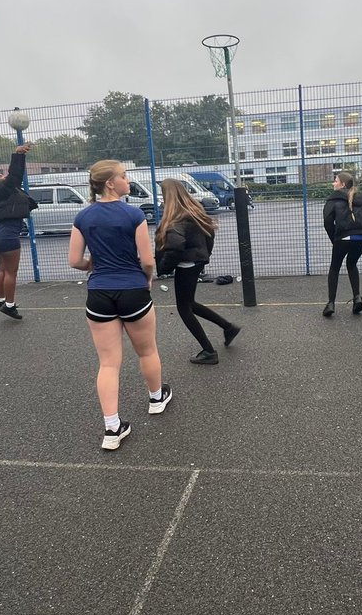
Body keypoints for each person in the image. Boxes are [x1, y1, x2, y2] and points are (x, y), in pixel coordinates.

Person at [69, 160, 170, 450]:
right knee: (147, 350)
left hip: (99, 293)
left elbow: (75, 261)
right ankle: (155, 399)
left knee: (108, 363)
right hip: (133, 290)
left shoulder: (83, 216)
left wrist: (93, 265)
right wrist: (147, 278)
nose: (128, 181)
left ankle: (112, 429)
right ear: (111, 183)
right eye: (124, 176)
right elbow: (148, 260)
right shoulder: (133, 214)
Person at [155, 178, 239, 365]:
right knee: (190, 303)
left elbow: (175, 248)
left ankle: (209, 351)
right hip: (196, 263)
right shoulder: (194, 210)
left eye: (162, 194)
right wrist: (204, 255)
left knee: (184, 308)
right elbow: (209, 235)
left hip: (186, 265)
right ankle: (228, 327)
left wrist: (163, 269)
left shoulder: (177, 218)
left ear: (168, 196)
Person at [0, 143, 37, 320]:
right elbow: (15, 173)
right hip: (6, 234)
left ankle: (0, 300)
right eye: (1, 174)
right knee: (11, 272)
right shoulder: (4, 188)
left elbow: (12, 176)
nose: (4, 174)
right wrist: (18, 154)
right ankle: (9, 306)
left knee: (3, 270)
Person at [322, 170, 362, 316]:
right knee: (351, 264)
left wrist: (335, 239)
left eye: (335, 180)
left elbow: (327, 222)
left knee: (335, 267)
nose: (333, 183)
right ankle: (357, 298)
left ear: (342, 184)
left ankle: (331, 304)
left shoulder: (333, 200)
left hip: (344, 237)